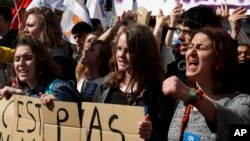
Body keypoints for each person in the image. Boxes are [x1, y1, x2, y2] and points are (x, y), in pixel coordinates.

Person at [162, 26, 250, 141]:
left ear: (219, 62)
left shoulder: (242, 102)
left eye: (201, 47)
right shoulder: (183, 103)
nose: (191, 52)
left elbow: (234, 128)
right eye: (191, 46)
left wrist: (191, 95)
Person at [98, 24, 174, 141]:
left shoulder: (157, 91)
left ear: (144, 54)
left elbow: (166, 136)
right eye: (119, 49)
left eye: (128, 51)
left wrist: (150, 134)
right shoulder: (108, 84)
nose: (121, 55)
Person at [0, 37, 82, 105]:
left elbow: (69, 99)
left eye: (28, 58)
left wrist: (58, 100)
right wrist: (18, 93)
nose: (21, 63)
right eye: (17, 59)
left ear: (40, 60)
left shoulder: (58, 87)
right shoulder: (28, 91)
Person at [19, 7, 77, 83]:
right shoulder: (35, 53)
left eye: (30, 25)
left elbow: (60, 90)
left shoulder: (58, 58)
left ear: (45, 28)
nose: (25, 30)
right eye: (25, 25)